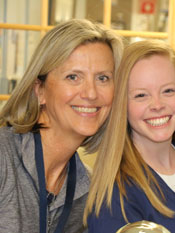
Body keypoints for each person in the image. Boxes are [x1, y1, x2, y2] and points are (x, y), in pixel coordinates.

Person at [85, 40, 175, 233]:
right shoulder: (115, 197)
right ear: (122, 105)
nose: (157, 105)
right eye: (141, 95)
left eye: (168, 91)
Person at [0, 19, 123, 233]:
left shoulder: (89, 190)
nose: (91, 93)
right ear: (39, 90)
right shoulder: (3, 157)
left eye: (103, 78)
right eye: (73, 77)